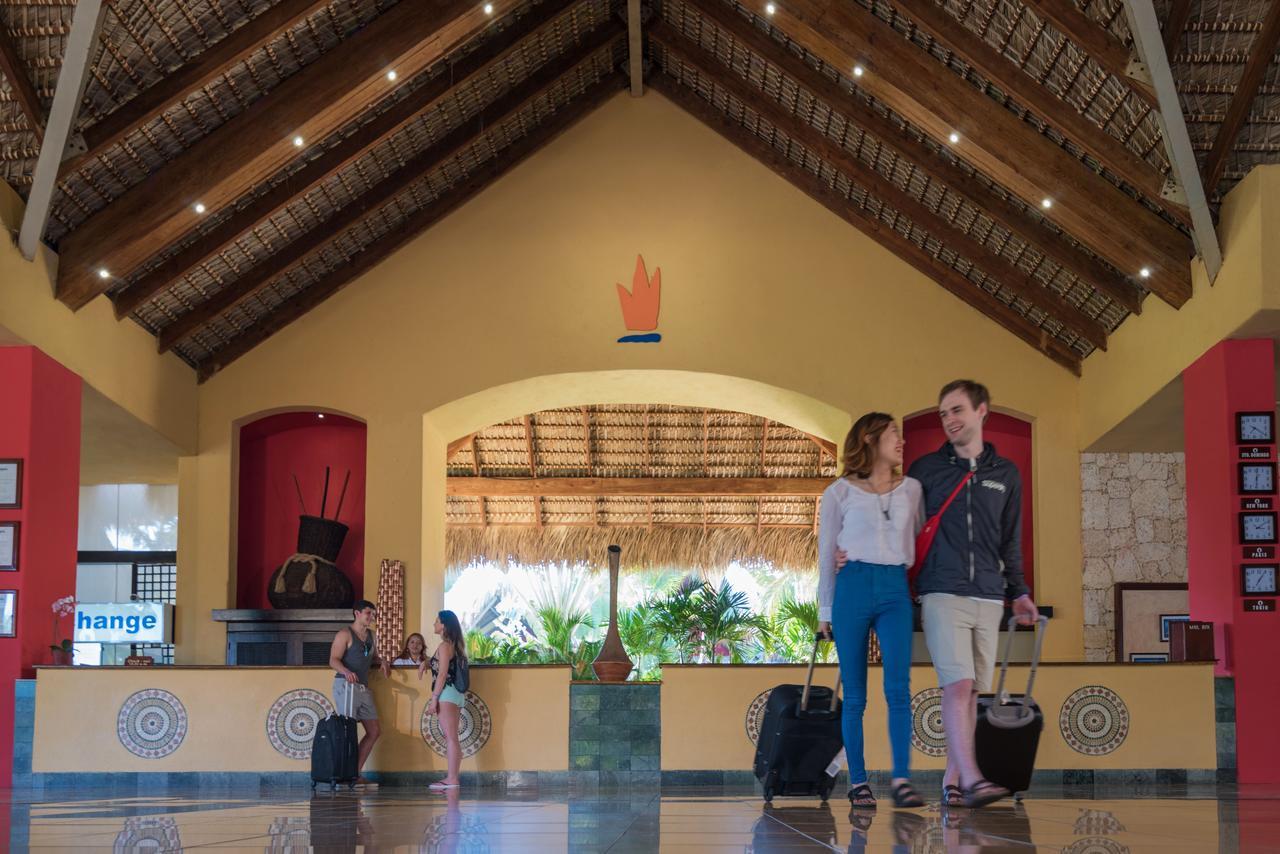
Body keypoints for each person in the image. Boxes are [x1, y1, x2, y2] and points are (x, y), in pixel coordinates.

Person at [907, 380, 1038, 809]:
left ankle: (952, 780)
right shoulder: (925, 470)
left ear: (982, 411)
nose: (949, 419)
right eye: (943, 413)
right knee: (957, 684)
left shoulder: (1006, 474)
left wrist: (1019, 593)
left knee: (973, 692)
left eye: (957, 409)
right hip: (941, 592)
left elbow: (1009, 540)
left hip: (988, 596)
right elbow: (902, 527)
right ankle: (973, 778)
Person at [817, 412, 925, 810]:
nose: (901, 440)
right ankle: (858, 782)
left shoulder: (912, 489)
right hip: (853, 587)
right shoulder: (838, 492)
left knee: (898, 689)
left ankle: (902, 780)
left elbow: (918, 537)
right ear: (869, 439)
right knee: (855, 695)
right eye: (894, 433)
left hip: (895, 587)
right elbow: (826, 553)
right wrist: (824, 609)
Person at [328, 599, 392, 785]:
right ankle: (344, 776)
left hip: (363, 688)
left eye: (373, 614)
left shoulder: (372, 635)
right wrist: (346, 671)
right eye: (368, 613)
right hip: (346, 686)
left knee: (374, 731)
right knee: (347, 732)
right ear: (357, 613)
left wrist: (383, 661)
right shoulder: (345, 634)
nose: (372, 617)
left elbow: (373, 657)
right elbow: (333, 660)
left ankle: (354, 774)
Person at [419, 609, 469, 790]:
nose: (434, 624)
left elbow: (442, 674)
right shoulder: (454, 646)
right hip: (455, 694)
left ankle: (452, 778)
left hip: (446, 694)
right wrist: (425, 662)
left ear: (444, 626)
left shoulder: (444, 646)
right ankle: (452, 777)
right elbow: (440, 664)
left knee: (451, 738)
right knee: (452, 737)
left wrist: (434, 698)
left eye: (436, 621)